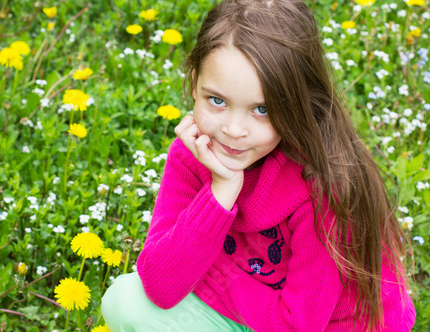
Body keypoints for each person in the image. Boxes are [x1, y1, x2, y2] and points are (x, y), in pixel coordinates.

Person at [100, 0, 416, 331]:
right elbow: (160, 286)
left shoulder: (325, 186)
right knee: (126, 300)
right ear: (194, 83)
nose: (234, 131)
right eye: (217, 101)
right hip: (252, 309)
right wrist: (221, 191)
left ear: (299, 103)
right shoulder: (192, 154)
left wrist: (210, 274)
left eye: (261, 109)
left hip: (331, 326)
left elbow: (297, 325)